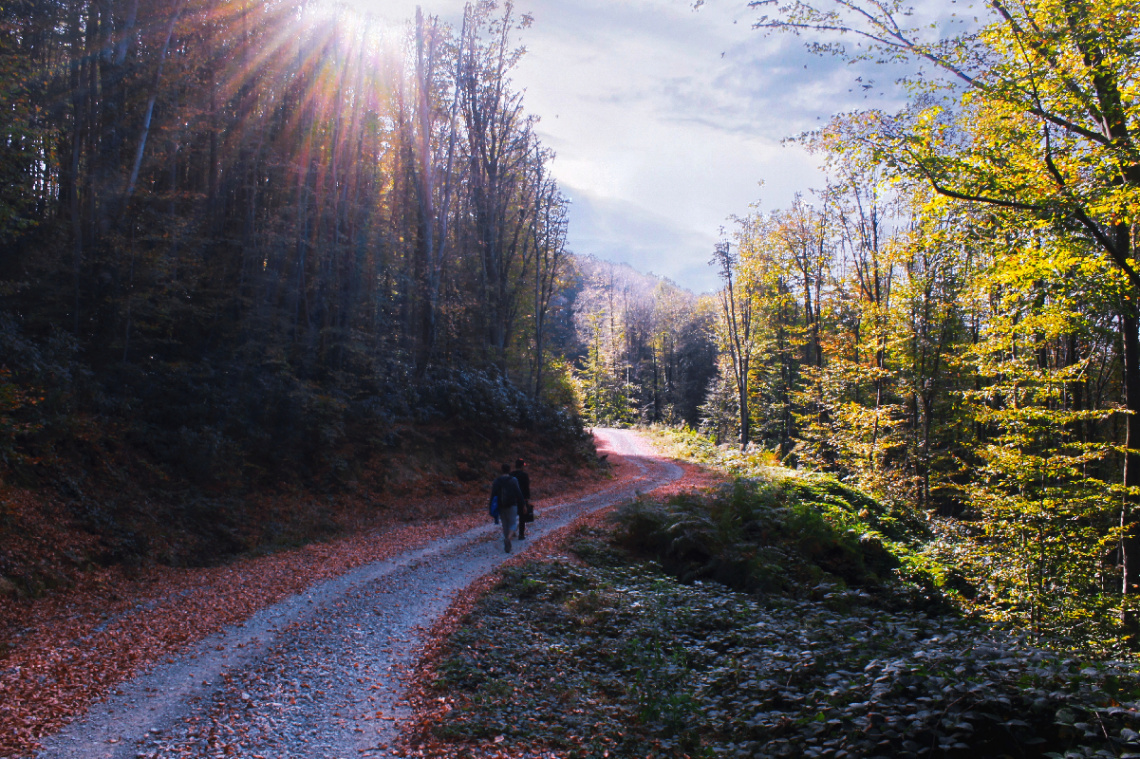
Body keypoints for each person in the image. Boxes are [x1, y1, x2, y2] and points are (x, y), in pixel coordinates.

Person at [489, 463, 523, 553]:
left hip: (501, 505)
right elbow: (518, 493)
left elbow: (493, 495)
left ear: (502, 470)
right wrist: (523, 504)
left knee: (505, 524)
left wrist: (491, 507)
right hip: (512, 504)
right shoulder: (513, 480)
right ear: (509, 470)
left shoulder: (496, 481)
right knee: (513, 523)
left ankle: (506, 539)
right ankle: (508, 539)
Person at [511, 458, 532, 539]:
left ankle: (511, 532)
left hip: (512, 499)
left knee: (512, 516)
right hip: (522, 499)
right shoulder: (524, 475)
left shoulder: (511, 474)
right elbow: (526, 488)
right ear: (522, 466)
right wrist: (527, 499)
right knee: (522, 517)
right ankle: (521, 534)